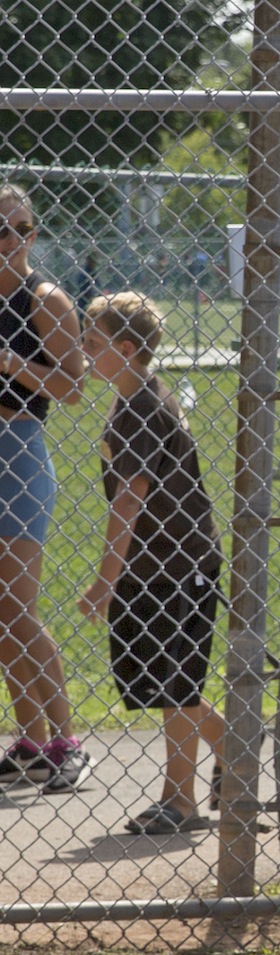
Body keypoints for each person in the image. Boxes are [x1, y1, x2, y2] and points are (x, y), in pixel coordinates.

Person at [75, 292, 225, 834]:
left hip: (177, 565)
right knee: (165, 681)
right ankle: (235, 749)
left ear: (125, 348)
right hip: (157, 564)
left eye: (93, 342)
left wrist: (104, 581)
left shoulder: (140, 406)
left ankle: (179, 800)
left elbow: (128, 500)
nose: (84, 351)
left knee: (175, 686)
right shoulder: (132, 398)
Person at [0, 185, 88, 794]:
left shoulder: (45, 299)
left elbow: (74, 387)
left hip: (18, 453)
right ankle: (30, 742)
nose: (10, 240)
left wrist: (10, 363)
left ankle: (66, 742)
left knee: (19, 611)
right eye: (0, 229)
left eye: (20, 228)